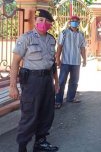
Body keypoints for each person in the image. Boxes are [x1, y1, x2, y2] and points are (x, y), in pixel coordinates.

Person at [9, 9, 59, 152]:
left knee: (47, 113)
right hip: (32, 81)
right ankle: (22, 146)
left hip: (47, 80)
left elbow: (52, 62)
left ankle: (40, 142)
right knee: (30, 114)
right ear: (36, 21)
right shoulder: (26, 38)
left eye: (47, 21)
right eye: (40, 20)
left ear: (50, 24)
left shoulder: (51, 39)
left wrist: (56, 81)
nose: (43, 23)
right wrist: (13, 86)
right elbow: (15, 63)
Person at [55, 15, 87, 109]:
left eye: (76, 21)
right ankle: (58, 100)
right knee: (61, 81)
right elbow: (59, 46)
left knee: (74, 81)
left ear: (79, 23)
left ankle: (71, 98)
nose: (75, 22)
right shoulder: (64, 33)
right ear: (69, 22)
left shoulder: (81, 34)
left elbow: (82, 48)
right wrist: (58, 59)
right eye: (73, 21)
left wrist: (84, 59)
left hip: (76, 62)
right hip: (65, 61)